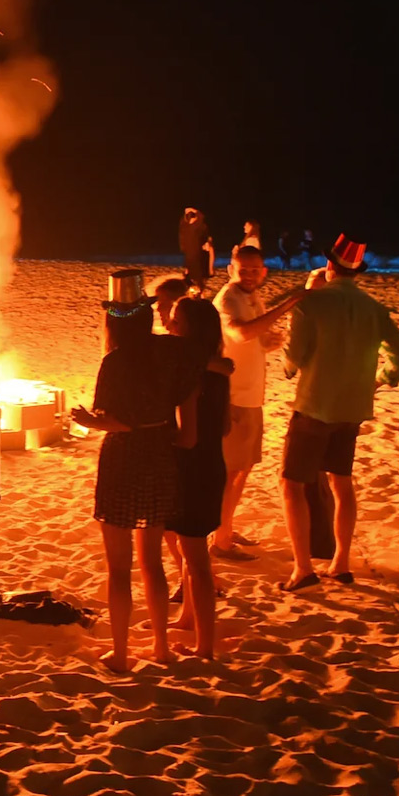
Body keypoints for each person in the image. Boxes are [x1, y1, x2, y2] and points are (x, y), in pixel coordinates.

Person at [73, 271, 200, 672]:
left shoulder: (116, 361)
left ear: (113, 321)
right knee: (154, 561)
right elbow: (192, 380)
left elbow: (118, 421)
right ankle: (161, 645)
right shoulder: (171, 352)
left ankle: (122, 652)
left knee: (118, 567)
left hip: (124, 458)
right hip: (160, 451)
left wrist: (89, 422)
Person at [278, 235, 399, 591]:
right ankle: (341, 562)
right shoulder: (374, 308)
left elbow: (294, 358)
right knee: (341, 482)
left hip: (313, 405)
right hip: (352, 409)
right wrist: (379, 381)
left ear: (330, 267)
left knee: (292, 484)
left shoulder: (312, 303)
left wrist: (287, 367)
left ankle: (303, 567)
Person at [215, 245, 299, 555]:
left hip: (252, 396)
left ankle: (225, 527)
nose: (249, 275)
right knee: (230, 472)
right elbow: (239, 334)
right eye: (243, 270)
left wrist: (270, 343)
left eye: (255, 270)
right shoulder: (227, 299)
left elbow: (253, 340)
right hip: (233, 397)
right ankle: (220, 540)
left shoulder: (251, 296)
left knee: (242, 469)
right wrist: (286, 306)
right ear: (231, 270)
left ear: (263, 272)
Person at [163, 297, 228, 659]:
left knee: (197, 559)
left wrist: (156, 433)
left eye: (176, 321)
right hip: (211, 462)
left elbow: (186, 437)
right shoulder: (215, 371)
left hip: (192, 468)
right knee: (190, 550)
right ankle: (188, 617)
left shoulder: (194, 374)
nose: (170, 327)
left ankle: (205, 645)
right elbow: (225, 424)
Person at [178, 208, 212, 290]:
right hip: (197, 257)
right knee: (198, 279)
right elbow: (201, 216)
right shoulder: (195, 227)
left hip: (189, 257)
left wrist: (186, 212)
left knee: (191, 278)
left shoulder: (184, 229)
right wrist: (192, 210)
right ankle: (199, 294)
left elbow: (183, 221)